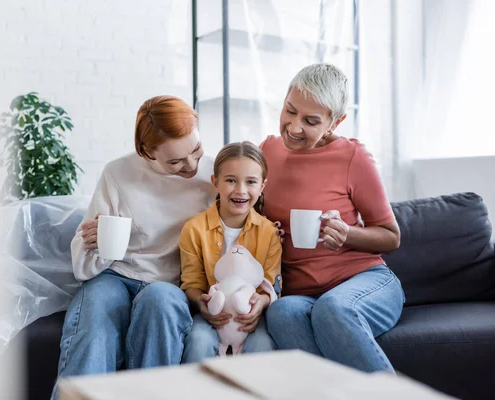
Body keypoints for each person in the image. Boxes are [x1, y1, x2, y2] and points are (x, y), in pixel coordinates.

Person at [52, 95, 217, 397]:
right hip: (115, 275)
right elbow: (82, 266)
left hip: (171, 283)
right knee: (95, 318)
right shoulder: (118, 173)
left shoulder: (215, 175)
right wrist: (97, 242)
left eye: (196, 150)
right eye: (175, 161)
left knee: (160, 302)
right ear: (147, 153)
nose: (191, 165)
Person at [261, 63, 405, 373]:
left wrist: (347, 233)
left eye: (311, 121)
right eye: (290, 110)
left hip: (365, 282)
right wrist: (262, 230)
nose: (294, 126)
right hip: (300, 293)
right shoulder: (267, 152)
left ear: (334, 123)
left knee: (333, 307)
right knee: (282, 312)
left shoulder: (353, 157)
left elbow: (391, 236)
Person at [179, 141, 282, 362]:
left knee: (263, 344)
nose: (241, 190)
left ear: (262, 186)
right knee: (198, 341)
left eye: (251, 182)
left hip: (249, 316)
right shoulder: (194, 229)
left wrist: (260, 305)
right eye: (231, 180)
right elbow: (191, 283)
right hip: (210, 315)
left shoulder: (269, 233)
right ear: (215, 183)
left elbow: (270, 285)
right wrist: (203, 304)